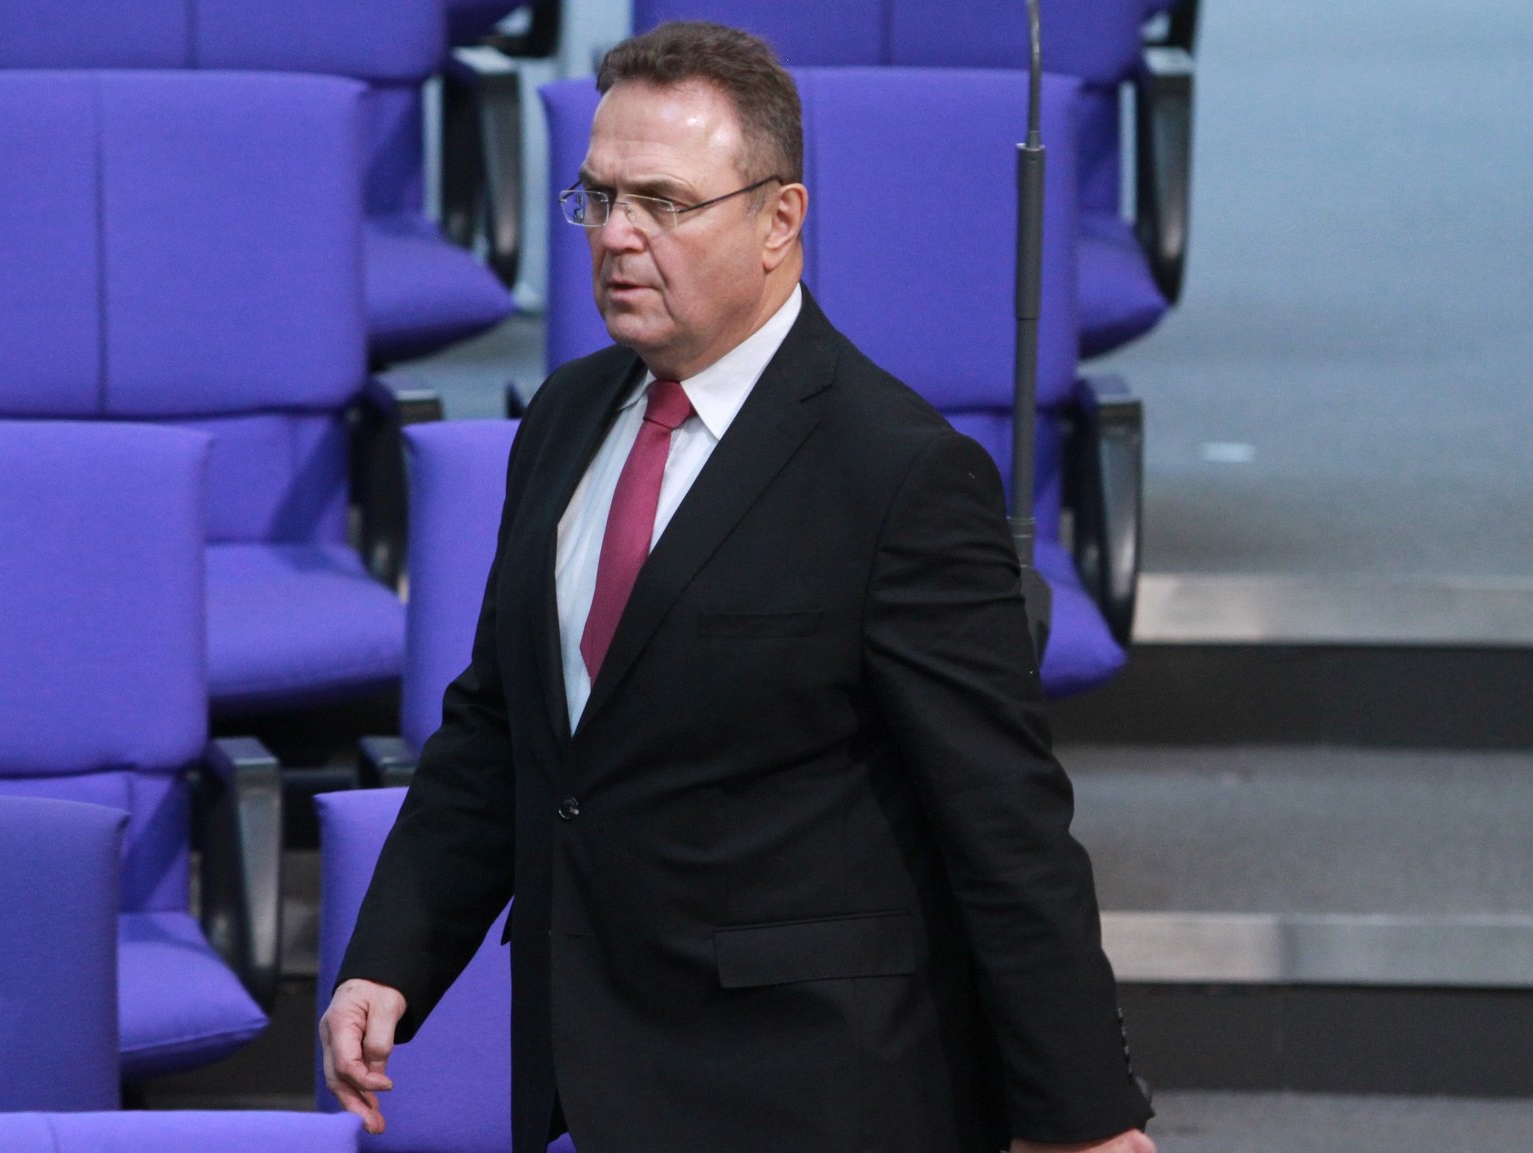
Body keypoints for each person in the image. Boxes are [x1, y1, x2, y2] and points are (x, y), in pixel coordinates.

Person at [321, 21, 1155, 1153]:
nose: (616, 236)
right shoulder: (565, 418)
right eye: (598, 197)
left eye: (662, 202)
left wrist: (1082, 1122)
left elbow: (1002, 824)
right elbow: (504, 720)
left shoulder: (898, 474)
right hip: (593, 1071)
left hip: (811, 1090)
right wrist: (393, 953)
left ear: (778, 220)